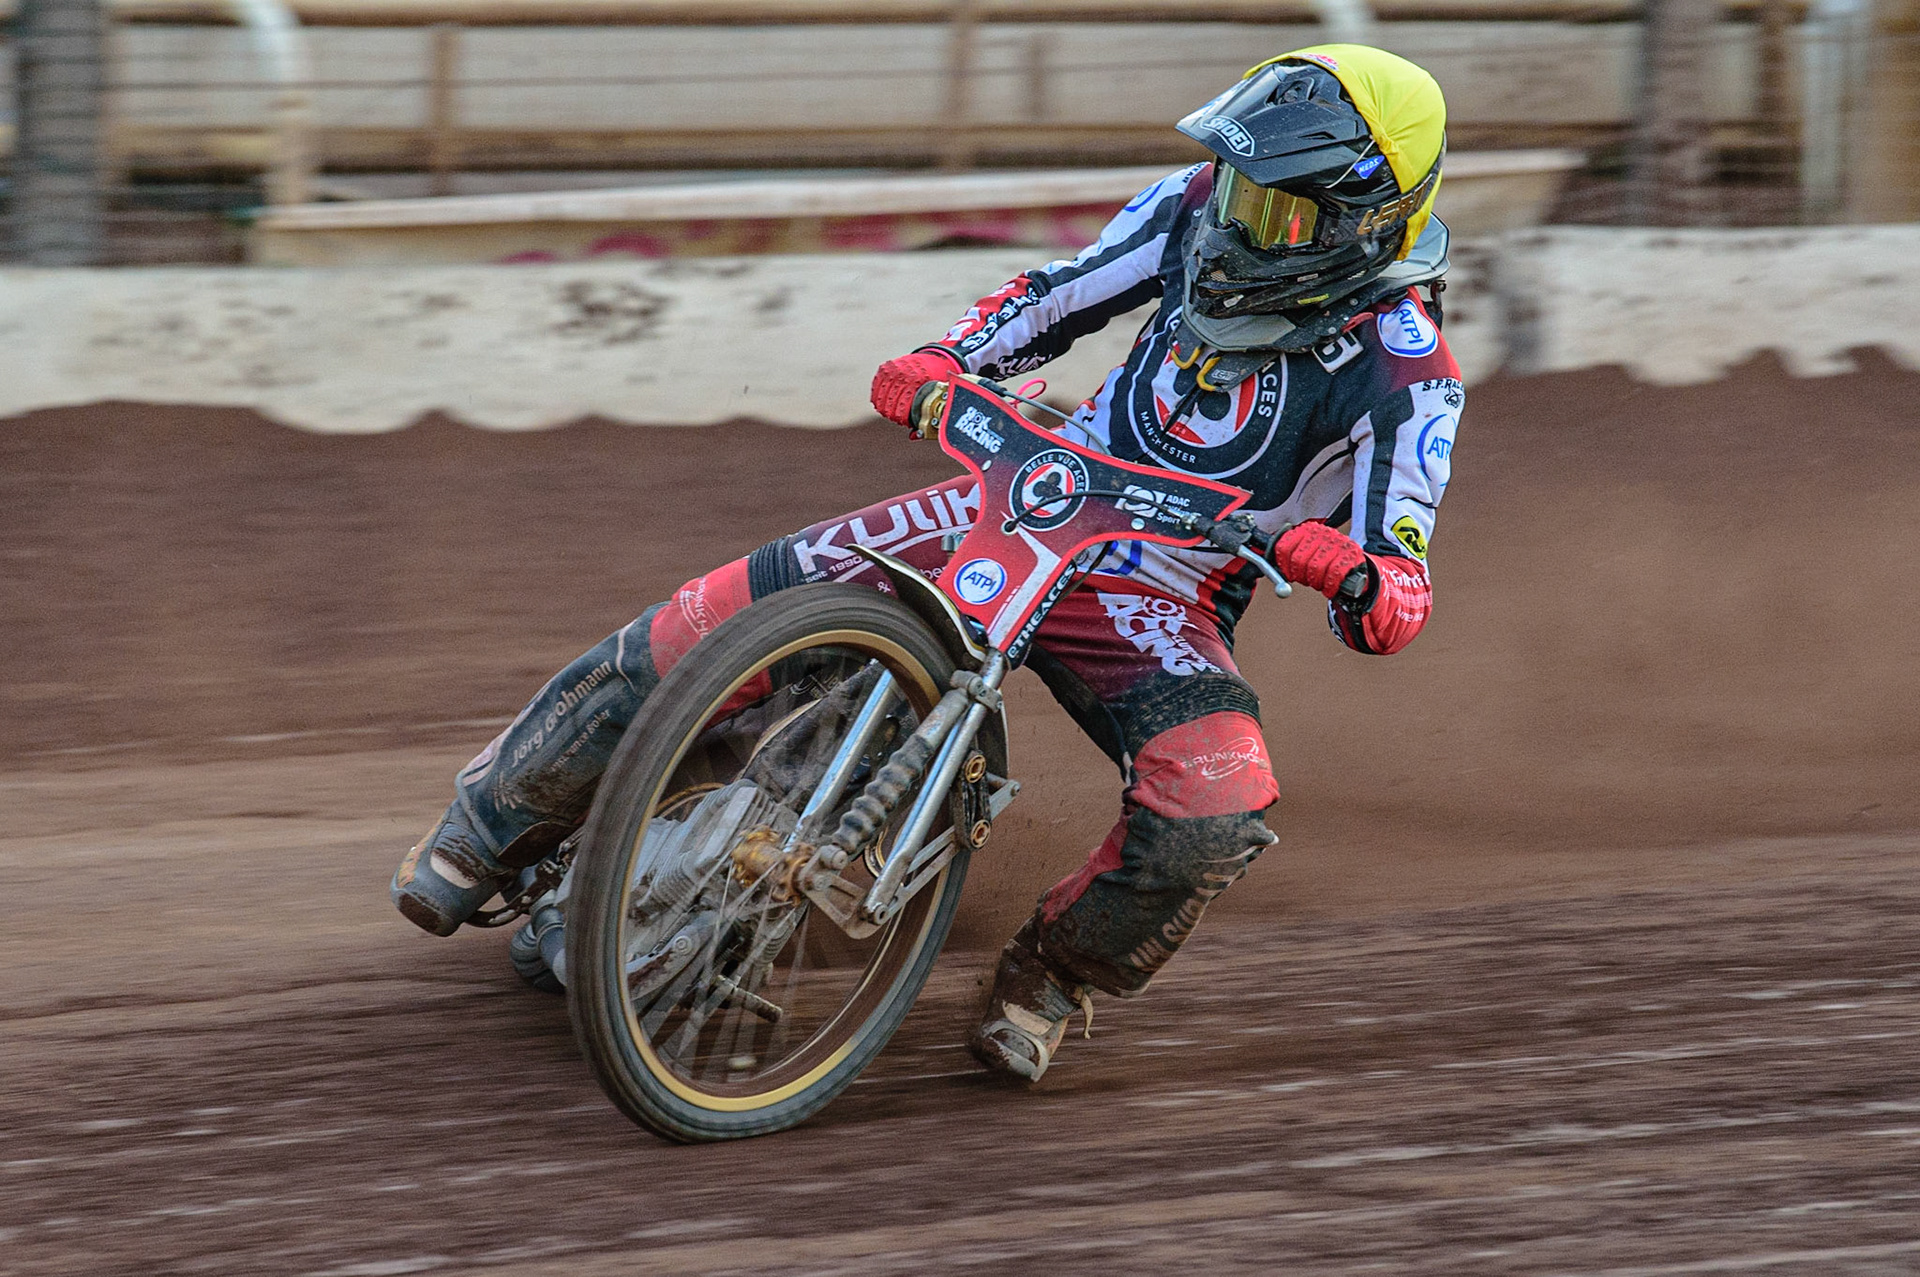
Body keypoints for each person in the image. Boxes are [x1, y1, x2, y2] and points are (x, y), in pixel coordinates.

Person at [392, 43, 1463, 1083]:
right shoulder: (1197, 204)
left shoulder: (1407, 373)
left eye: (1275, 205)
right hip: (1030, 489)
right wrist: (948, 358)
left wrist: (1350, 573)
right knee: (719, 612)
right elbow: (1060, 293)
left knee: (1219, 805)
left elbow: (1398, 586)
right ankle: (485, 827)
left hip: (1161, 588)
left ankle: (1050, 977)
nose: (1237, 217)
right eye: (1237, 184)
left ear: (1363, 226)